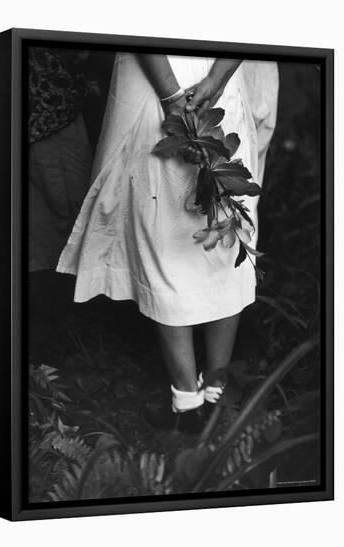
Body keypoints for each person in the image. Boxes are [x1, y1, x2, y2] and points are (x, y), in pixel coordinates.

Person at [56, 52, 279, 433]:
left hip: (171, 81)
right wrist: (213, 82)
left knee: (174, 237)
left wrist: (179, 97)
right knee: (208, 235)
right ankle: (211, 395)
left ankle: (191, 399)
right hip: (200, 81)